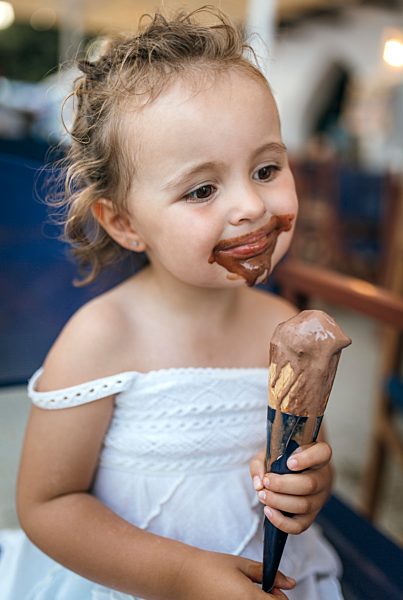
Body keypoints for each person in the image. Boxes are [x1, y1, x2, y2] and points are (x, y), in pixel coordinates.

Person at [0, 8, 343, 600]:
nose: (251, 207)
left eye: (266, 168)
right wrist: (180, 575)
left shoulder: (281, 322)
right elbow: (47, 504)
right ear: (126, 223)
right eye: (202, 189)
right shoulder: (102, 336)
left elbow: (304, 453)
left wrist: (312, 484)